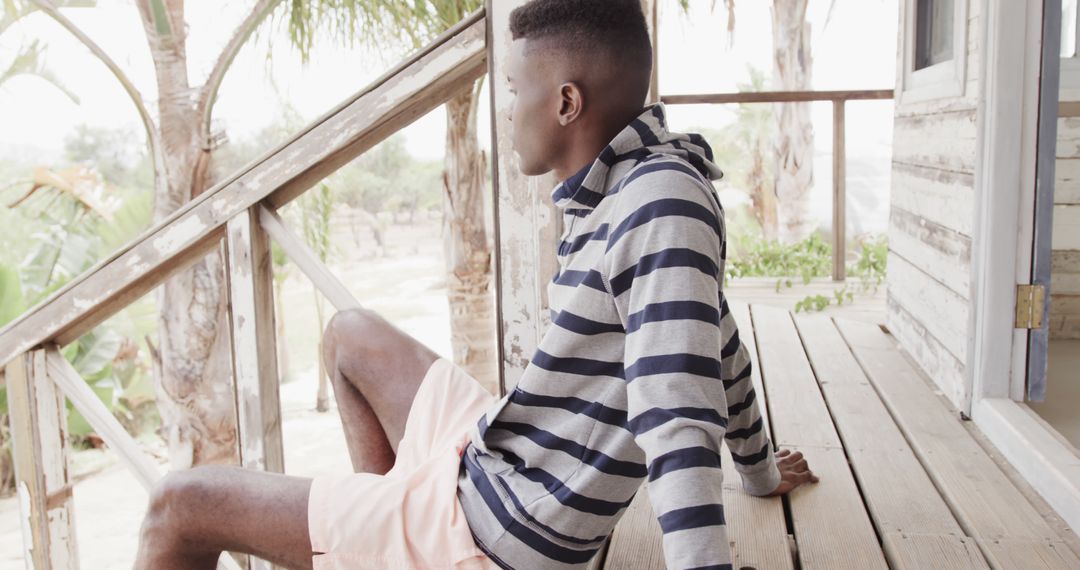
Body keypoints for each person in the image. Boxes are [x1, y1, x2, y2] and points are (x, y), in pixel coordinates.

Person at [134, 1, 817, 568]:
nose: (506, 109)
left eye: (515, 90)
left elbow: (676, 414)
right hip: (501, 456)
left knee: (177, 507)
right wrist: (758, 471)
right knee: (349, 336)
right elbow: (718, 339)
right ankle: (385, 539)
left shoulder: (658, 203)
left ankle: (401, 536)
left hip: (503, 528)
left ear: (566, 103)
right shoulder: (628, 187)